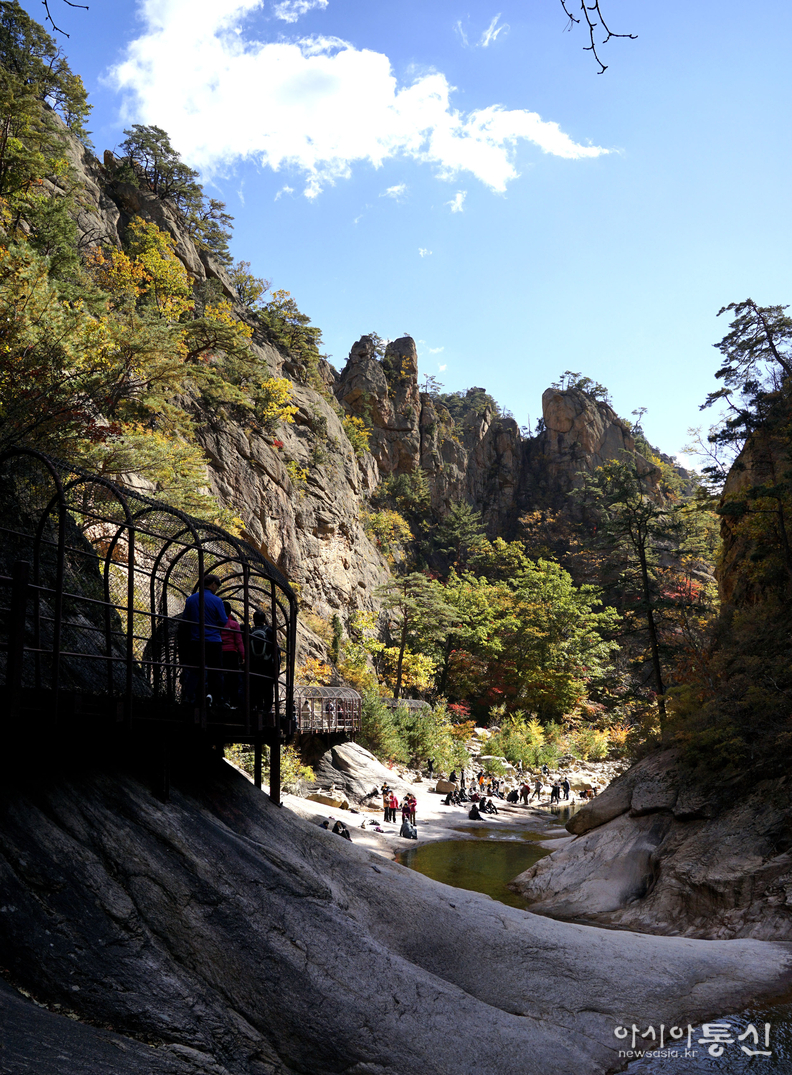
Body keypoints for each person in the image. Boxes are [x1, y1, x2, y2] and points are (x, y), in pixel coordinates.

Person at [182, 574, 228, 706]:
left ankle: (189, 698)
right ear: (212, 584)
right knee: (216, 671)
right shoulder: (217, 601)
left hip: (196, 640)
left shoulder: (191, 599)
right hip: (213, 640)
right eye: (217, 586)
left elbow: (185, 619)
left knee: (195, 670)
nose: (217, 589)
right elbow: (223, 620)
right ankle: (217, 699)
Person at [249, 610, 278, 713]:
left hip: (254, 663)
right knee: (267, 685)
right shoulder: (269, 631)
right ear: (264, 619)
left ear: (254, 620)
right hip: (267, 663)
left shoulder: (250, 631)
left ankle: (257, 706)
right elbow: (275, 648)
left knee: (255, 685)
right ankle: (267, 707)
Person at [220, 601, 244, 707]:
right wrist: (243, 656)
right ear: (230, 612)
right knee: (233, 677)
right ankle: (233, 702)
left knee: (219, 675)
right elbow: (239, 641)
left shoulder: (216, 623)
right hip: (232, 654)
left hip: (219, 652)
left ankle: (220, 699)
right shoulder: (234, 624)